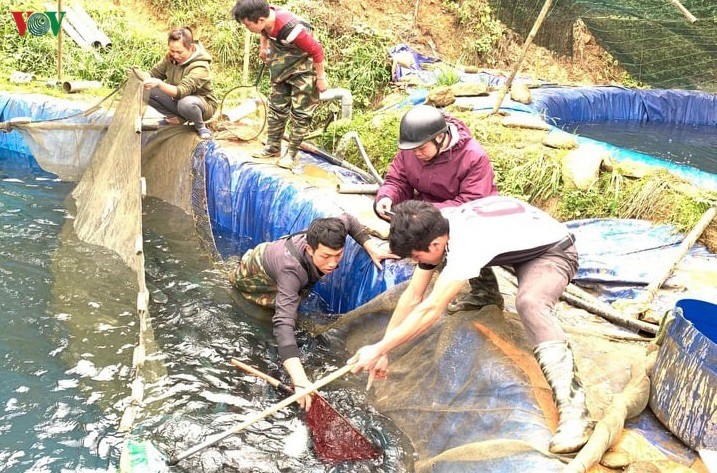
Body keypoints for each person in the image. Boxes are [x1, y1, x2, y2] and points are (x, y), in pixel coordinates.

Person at [348, 196, 595, 455]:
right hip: (509, 239)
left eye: (415, 255)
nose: (414, 261)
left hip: (553, 250)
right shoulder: (438, 226)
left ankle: (576, 412)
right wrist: (384, 349)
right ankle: (486, 294)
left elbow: (432, 308)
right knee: (446, 260)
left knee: (530, 303)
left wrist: (377, 349)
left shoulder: (466, 242)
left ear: (434, 242)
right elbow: (413, 295)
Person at [228, 214, 397, 411]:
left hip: (280, 264)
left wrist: (371, 246)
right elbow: (283, 325)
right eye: (325, 256)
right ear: (309, 249)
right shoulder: (291, 271)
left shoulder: (332, 229)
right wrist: (300, 380)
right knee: (267, 315)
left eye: (338, 255)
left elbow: (349, 220)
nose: (333, 263)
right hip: (255, 276)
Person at [374, 104, 502, 314]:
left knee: (454, 243)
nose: (417, 153)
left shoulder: (473, 157)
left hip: (469, 214)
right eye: (412, 149)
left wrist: (425, 214)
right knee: (402, 216)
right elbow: (397, 179)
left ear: (440, 138)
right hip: (428, 207)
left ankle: (486, 293)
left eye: (422, 149)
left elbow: (472, 202)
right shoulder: (412, 150)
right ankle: (422, 258)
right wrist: (386, 196)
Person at [231, 0, 328, 169]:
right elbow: (265, 33)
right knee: (276, 107)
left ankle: (292, 154)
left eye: (248, 26)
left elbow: (317, 50)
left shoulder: (292, 29)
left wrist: (320, 78)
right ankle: (273, 147)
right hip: (281, 65)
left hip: (303, 68)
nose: (247, 29)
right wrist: (263, 48)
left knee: (301, 113)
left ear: (260, 20)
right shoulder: (266, 20)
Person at [142, 27, 219, 140]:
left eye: (179, 52)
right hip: (177, 101)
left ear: (191, 48)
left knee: (186, 103)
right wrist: (139, 75)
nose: (176, 55)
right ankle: (176, 118)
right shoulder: (170, 59)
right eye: (172, 51)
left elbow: (181, 91)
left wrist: (159, 84)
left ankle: (201, 127)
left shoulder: (201, 67)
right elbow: (153, 74)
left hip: (202, 106)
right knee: (145, 89)